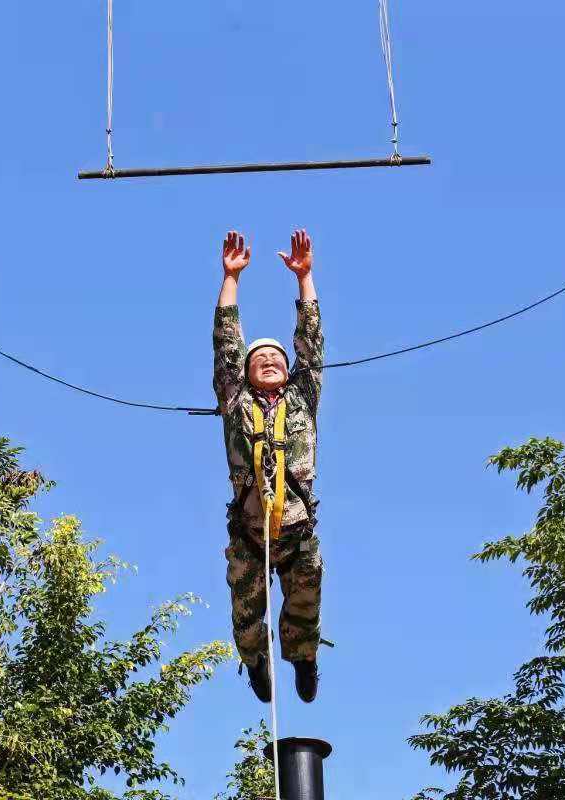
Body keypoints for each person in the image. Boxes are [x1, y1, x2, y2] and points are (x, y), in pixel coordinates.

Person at [213, 228, 324, 704]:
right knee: (246, 610)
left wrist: (305, 279)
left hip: (295, 527)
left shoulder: (302, 397)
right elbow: (226, 348)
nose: (270, 362)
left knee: (305, 597)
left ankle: (302, 658)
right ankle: (256, 660)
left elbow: (311, 348)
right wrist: (231, 278)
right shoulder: (235, 400)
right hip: (250, 529)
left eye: (276, 358)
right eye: (260, 359)